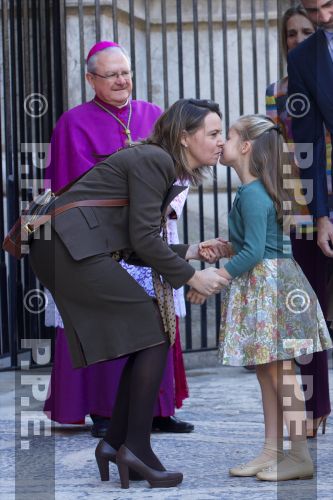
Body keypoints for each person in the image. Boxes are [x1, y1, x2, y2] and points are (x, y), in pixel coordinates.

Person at [29, 98, 229, 489]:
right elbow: (141, 238)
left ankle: (117, 443)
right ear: (186, 138)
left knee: (148, 335)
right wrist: (192, 277)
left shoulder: (157, 162)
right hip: (67, 247)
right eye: (214, 133)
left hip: (67, 245)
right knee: (153, 332)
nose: (220, 141)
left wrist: (191, 250)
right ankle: (134, 448)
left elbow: (139, 243)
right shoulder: (155, 160)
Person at [44, 40, 194, 437]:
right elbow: (68, 188)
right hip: (103, 241)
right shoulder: (72, 124)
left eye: (125, 72)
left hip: (150, 231)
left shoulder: (153, 116)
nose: (121, 80)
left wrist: (165, 202)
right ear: (91, 78)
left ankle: (159, 409)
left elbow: (176, 169)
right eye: (111, 75)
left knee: (158, 315)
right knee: (110, 319)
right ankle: (107, 411)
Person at [189, 115, 332, 481]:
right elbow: (254, 241)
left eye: (229, 135)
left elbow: (254, 252)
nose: (221, 142)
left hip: (271, 288)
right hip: (269, 284)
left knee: (281, 373)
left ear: (247, 146)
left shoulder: (253, 193)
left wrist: (216, 277)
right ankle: (272, 450)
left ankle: (298, 455)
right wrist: (223, 245)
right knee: (269, 372)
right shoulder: (252, 191)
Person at [266, 5, 331, 439]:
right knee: (306, 313)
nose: (298, 38)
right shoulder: (278, 91)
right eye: (291, 32)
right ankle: (313, 406)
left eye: (305, 31)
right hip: (304, 206)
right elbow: (279, 150)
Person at [288, 0, 333, 258]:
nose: (324, 16)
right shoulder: (301, 60)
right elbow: (309, 143)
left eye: (329, 4)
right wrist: (321, 216)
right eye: (314, 11)